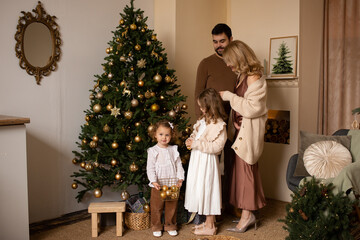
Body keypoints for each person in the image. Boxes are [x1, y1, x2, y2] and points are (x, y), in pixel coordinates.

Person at [219, 40, 267, 233]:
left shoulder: (254, 77)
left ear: (239, 57)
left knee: (246, 172)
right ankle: (247, 214)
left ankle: (247, 217)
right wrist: (237, 122)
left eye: (230, 61)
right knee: (240, 172)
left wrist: (230, 97)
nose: (229, 65)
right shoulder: (242, 75)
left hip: (248, 135)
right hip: (241, 131)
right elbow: (244, 107)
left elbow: (254, 108)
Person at [194, 23, 238, 212]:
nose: (218, 45)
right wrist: (203, 125)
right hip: (213, 122)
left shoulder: (237, 63)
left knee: (234, 163)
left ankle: (234, 203)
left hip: (235, 120)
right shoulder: (206, 63)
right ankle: (214, 207)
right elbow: (198, 94)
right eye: (215, 42)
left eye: (222, 41)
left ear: (230, 40)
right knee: (212, 166)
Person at [184, 88, 227, 236]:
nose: (201, 109)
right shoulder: (202, 121)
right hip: (197, 160)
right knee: (200, 190)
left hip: (207, 161)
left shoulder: (219, 124)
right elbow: (196, 135)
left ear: (211, 106)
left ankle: (211, 225)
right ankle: (207, 223)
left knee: (208, 190)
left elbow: (217, 147)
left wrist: (197, 144)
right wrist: (191, 140)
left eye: (203, 107)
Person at [147, 120, 185, 237]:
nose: (164, 137)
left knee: (171, 206)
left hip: (172, 183)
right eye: (161, 134)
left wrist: (180, 179)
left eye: (167, 135)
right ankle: (157, 226)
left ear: (172, 135)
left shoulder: (173, 150)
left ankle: (170, 225)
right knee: (156, 207)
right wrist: (154, 181)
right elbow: (150, 168)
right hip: (158, 185)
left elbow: (179, 165)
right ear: (155, 135)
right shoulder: (153, 151)